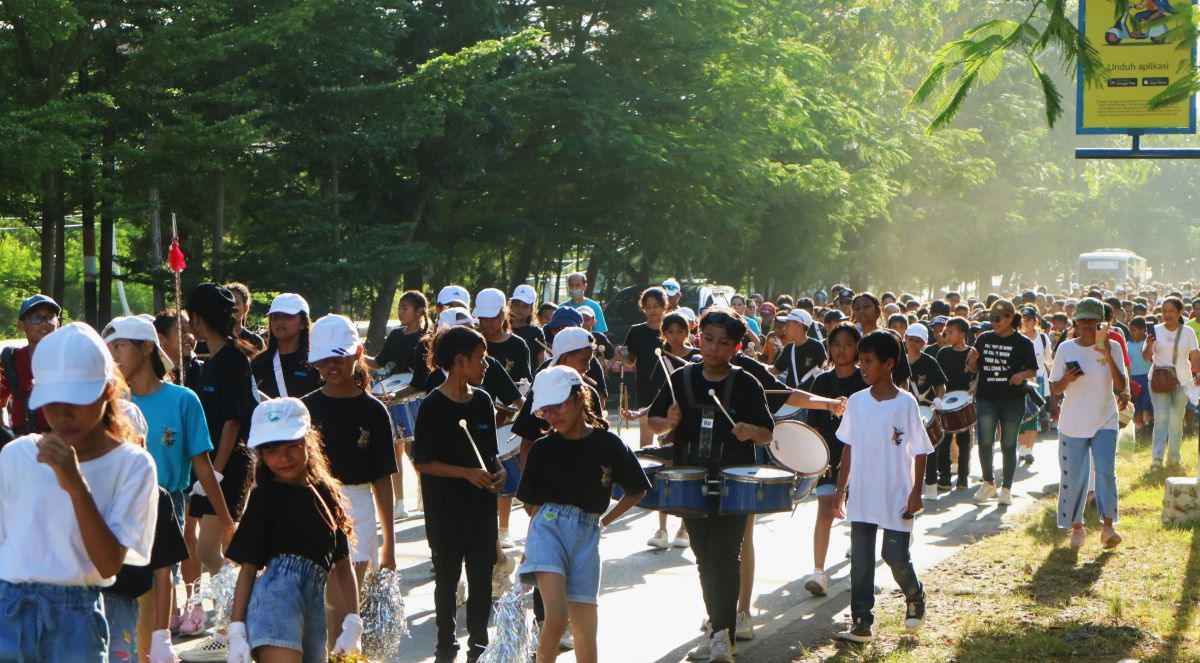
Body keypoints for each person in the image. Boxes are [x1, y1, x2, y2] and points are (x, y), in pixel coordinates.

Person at [0, 323, 158, 661]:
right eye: (51, 401)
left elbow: (107, 566)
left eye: (76, 400)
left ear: (107, 391)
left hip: (76, 620)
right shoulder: (18, 454)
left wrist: (75, 485)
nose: (61, 414)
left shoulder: (133, 464)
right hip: (8, 614)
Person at [647, 308, 774, 663]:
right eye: (707, 339)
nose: (713, 348)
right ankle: (718, 628)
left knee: (726, 554)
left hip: (733, 481)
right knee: (704, 558)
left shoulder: (746, 382)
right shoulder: (682, 378)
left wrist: (750, 431)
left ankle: (724, 634)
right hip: (692, 480)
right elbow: (654, 421)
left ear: (736, 347)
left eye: (723, 343)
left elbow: (767, 433)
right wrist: (665, 421)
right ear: (696, 337)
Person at [102, 315, 234, 636]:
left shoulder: (184, 400)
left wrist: (227, 522)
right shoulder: (110, 404)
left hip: (168, 503)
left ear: (147, 347)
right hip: (115, 504)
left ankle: (153, 646)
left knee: (160, 578)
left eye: (120, 345)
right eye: (109, 349)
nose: (114, 356)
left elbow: (202, 465)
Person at [517, 366, 651, 663]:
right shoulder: (542, 448)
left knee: (586, 627)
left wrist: (604, 521)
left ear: (580, 397)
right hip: (548, 528)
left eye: (559, 405)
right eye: (545, 411)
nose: (554, 416)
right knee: (557, 616)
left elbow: (637, 489)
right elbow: (531, 503)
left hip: (588, 531)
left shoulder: (609, 444)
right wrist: (532, 545)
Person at [225, 398, 363, 663]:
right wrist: (235, 629)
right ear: (261, 455)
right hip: (274, 604)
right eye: (272, 450)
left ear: (307, 443)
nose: (284, 458)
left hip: (314, 609)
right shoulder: (264, 497)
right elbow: (248, 568)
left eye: (292, 446)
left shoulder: (325, 493)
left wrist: (353, 622)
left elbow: (343, 565)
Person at [412, 326, 506, 663]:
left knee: (481, 579)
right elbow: (422, 461)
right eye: (480, 359)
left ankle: (478, 645)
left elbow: (491, 452)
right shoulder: (432, 406)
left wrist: (499, 471)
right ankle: (445, 646)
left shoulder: (482, 402)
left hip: (481, 509)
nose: (486, 365)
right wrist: (466, 473)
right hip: (445, 510)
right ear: (459, 361)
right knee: (448, 581)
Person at [833, 330, 933, 644]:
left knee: (895, 555)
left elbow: (920, 449)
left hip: (896, 493)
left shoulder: (905, 404)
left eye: (867, 361)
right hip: (863, 493)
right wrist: (841, 490)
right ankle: (861, 622)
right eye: (860, 360)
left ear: (889, 364)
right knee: (861, 560)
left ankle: (915, 595)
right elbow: (848, 447)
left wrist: (916, 492)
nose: (861, 367)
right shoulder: (857, 403)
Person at [303, 314, 397, 601]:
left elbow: (382, 479)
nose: (331, 367)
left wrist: (389, 546)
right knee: (320, 596)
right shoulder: (305, 408)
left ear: (357, 354)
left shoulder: (374, 411)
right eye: (322, 361)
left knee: (349, 597)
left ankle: (347, 644)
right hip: (314, 503)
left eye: (339, 359)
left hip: (358, 507)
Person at [183, 283, 258, 605]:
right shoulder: (210, 361)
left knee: (211, 550)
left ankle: (235, 617)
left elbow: (233, 421)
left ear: (200, 320)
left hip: (227, 465)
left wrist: (216, 471)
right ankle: (233, 619)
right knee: (210, 550)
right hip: (208, 468)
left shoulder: (233, 359)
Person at [1049, 298, 1127, 550]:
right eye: (1083, 320)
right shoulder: (1066, 349)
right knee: (1074, 476)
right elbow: (1055, 388)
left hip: (1105, 418)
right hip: (1073, 422)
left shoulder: (1113, 346)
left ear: (1101, 323)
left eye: (1092, 321)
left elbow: (1121, 386)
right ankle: (1077, 527)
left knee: (1105, 472)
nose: (1087, 325)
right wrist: (1066, 379)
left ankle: (1108, 527)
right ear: (1075, 322)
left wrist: (1105, 353)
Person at [800, 323, 866, 598]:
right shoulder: (821, 381)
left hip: (861, 459)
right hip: (827, 458)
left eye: (848, 344)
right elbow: (813, 426)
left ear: (857, 349)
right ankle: (818, 570)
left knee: (861, 515)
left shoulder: (866, 381)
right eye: (836, 344)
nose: (841, 349)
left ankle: (860, 570)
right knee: (825, 510)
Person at [364, 289, 431, 519]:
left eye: (405, 308)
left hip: (415, 396)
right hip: (393, 395)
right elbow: (378, 362)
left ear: (420, 311)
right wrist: (356, 355)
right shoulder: (395, 336)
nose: (401, 312)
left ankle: (425, 492)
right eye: (400, 308)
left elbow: (422, 380)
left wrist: (398, 394)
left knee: (414, 448)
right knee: (394, 449)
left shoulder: (426, 338)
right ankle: (400, 501)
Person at [474, 288, 531, 549]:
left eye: (491, 317)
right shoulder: (474, 343)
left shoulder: (517, 345)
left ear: (502, 314)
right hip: (476, 416)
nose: (486, 323)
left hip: (506, 417)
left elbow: (521, 386)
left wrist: (506, 410)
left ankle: (504, 528)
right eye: (482, 318)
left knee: (506, 473)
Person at [968, 299, 1038, 506]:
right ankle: (988, 482)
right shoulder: (983, 339)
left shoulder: (1023, 343)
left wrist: (1020, 376)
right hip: (986, 397)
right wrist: (972, 360)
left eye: (998, 319)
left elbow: (1033, 370)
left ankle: (1006, 488)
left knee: (1008, 444)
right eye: (991, 319)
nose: (994, 323)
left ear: (1010, 318)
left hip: (1012, 399)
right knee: (985, 441)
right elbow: (974, 369)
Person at [1142, 296, 1200, 467]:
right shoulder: (1155, 330)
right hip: (1158, 380)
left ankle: (1174, 456)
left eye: (1171, 311)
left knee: (1176, 419)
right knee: (1162, 417)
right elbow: (1146, 357)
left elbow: (1194, 355)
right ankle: (1157, 458)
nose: (1167, 314)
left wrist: (1198, 373)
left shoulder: (1188, 331)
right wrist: (1150, 344)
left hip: (1182, 380)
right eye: (1164, 311)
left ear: (1180, 312)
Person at [0, 294, 61, 439]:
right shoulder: (10, 359)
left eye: (50, 317)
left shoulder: (68, 358)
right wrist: (6, 433)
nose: (44, 323)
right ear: (21, 325)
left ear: (58, 324)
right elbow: (1, 402)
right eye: (36, 318)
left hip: (60, 443)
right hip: (20, 443)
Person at [904, 325, 947, 500]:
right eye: (911, 339)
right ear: (905, 338)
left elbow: (940, 384)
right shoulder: (899, 361)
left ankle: (930, 485)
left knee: (929, 449)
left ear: (924, 343)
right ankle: (909, 485)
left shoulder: (930, 361)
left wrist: (939, 398)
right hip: (906, 409)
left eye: (918, 340)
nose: (914, 343)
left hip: (926, 409)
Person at [251, 293, 321, 400]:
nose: (280, 321)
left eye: (288, 316)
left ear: (303, 323)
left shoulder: (316, 363)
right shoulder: (258, 363)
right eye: (275, 317)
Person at [937, 317, 974, 488]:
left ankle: (963, 477)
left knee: (964, 440)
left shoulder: (972, 353)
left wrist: (971, 389)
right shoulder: (943, 353)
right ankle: (944, 476)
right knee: (944, 440)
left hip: (964, 403)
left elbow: (976, 377)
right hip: (946, 402)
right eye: (947, 332)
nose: (947, 335)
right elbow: (939, 379)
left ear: (962, 334)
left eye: (951, 332)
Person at [1017, 307, 1052, 465]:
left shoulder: (1043, 338)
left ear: (1035, 320)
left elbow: (1049, 361)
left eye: (1029, 319)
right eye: (1023, 319)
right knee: (1020, 417)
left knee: (1034, 416)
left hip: (1039, 382)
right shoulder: (1016, 338)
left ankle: (1029, 450)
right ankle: (1023, 447)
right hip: (1020, 382)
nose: (1026, 322)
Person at [770, 308, 827, 391]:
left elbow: (825, 368)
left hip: (810, 398)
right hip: (792, 397)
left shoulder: (816, 346)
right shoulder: (789, 348)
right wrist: (755, 366)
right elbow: (775, 370)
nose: (784, 329)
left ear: (798, 325)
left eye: (788, 325)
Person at [153, 308, 204, 393]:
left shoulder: (204, 371)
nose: (191, 337)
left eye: (191, 331)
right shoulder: (151, 376)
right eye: (182, 330)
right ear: (160, 338)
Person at [1126, 316, 1154, 433]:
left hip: (1148, 378)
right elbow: (1127, 364)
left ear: (1143, 330)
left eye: (1134, 330)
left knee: (1149, 403)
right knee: (1136, 405)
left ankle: (1151, 424)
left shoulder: (1149, 343)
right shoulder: (1127, 345)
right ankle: (1139, 427)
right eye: (1130, 330)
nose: (1132, 333)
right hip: (1134, 379)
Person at [510, 284, 548, 367]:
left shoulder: (536, 333)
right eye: (517, 304)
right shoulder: (502, 329)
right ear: (511, 305)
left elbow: (541, 363)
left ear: (531, 309)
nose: (520, 309)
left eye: (525, 306)